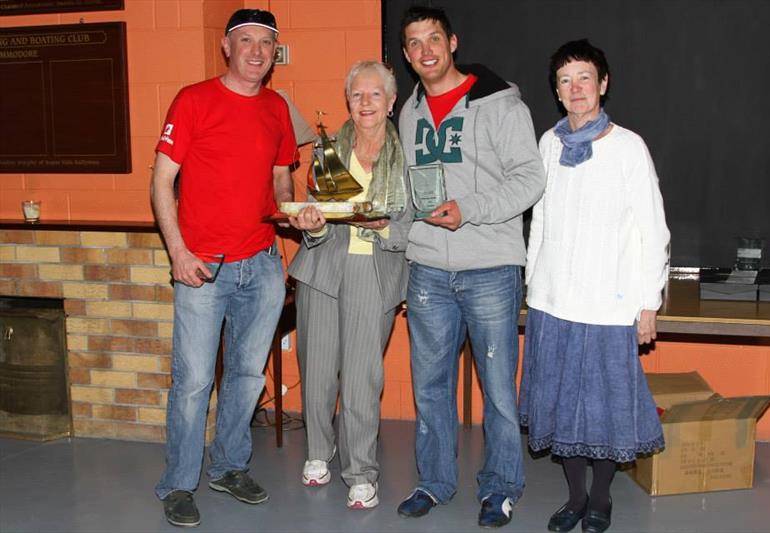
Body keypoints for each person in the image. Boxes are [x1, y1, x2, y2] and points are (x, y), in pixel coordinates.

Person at [395, 6, 546, 529]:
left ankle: (501, 488)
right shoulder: (409, 112)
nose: (425, 51)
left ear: (452, 42)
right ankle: (434, 482)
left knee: (499, 389)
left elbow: (530, 179)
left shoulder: (499, 104)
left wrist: (470, 211)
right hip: (429, 269)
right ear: (407, 54)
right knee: (430, 386)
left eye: (433, 38)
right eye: (413, 43)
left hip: (490, 267)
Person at [150, 9, 297, 528]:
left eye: (266, 43)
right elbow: (161, 180)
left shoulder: (278, 108)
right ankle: (179, 483)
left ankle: (229, 466)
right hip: (202, 269)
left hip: (260, 267)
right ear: (227, 48)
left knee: (244, 376)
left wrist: (292, 209)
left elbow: (281, 180)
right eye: (246, 41)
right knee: (192, 383)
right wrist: (178, 253)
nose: (257, 51)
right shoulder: (193, 100)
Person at [518, 39, 670, 533]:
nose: (575, 88)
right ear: (557, 92)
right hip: (553, 302)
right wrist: (532, 284)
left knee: (603, 409)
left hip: (608, 306)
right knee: (562, 406)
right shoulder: (547, 143)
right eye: (565, 80)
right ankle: (575, 497)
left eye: (584, 77)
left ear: (603, 84)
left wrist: (649, 303)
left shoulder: (628, 146)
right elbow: (538, 221)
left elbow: (653, 230)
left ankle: (601, 498)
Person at [287, 60, 411, 511]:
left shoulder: (407, 156)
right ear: (348, 102)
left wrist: (384, 227)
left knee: (361, 379)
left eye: (375, 94)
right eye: (357, 95)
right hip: (323, 269)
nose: (365, 103)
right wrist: (312, 225)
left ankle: (361, 472)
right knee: (317, 370)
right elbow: (315, 225)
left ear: (391, 102)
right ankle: (319, 452)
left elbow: (414, 221)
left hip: (373, 273)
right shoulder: (328, 152)